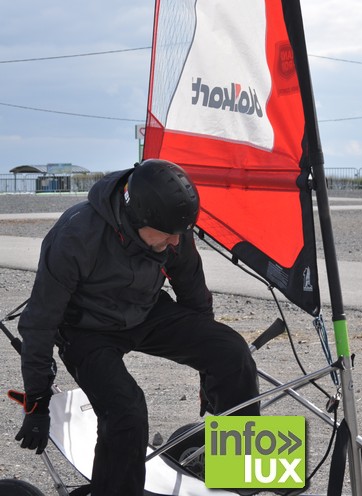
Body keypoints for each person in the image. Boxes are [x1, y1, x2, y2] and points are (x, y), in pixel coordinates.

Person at [13, 159, 260, 496]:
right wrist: (38, 400)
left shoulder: (173, 227)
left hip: (143, 308)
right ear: (136, 219)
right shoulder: (76, 235)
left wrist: (209, 368)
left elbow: (191, 290)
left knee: (231, 351)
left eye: (180, 233)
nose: (176, 241)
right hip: (86, 329)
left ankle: (240, 476)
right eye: (169, 234)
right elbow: (39, 322)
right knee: (126, 410)